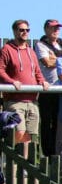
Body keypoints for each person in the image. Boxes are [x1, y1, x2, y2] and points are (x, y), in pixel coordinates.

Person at [1, 20, 50, 158]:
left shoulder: (31, 51)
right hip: (15, 101)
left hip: (32, 101)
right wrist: (11, 82)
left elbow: (37, 71)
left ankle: (24, 167)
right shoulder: (7, 49)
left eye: (27, 30)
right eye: (22, 30)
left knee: (28, 136)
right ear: (15, 31)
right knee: (19, 132)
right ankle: (9, 159)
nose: (25, 33)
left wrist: (42, 82)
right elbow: (1, 70)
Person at [34, 20, 62, 157]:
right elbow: (47, 62)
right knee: (47, 122)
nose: (56, 30)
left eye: (58, 28)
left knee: (60, 123)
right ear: (46, 29)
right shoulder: (40, 45)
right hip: (48, 89)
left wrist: (56, 59)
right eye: (53, 28)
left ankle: (59, 154)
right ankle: (47, 154)